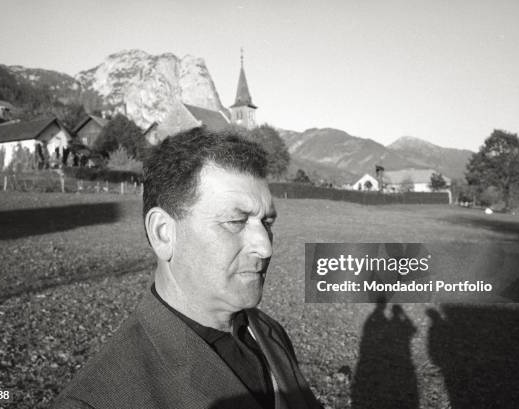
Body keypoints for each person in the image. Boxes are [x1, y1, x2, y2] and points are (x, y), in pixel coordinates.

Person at [54, 127, 323, 409]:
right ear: (163, 233)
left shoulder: (268, 331)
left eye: (267, 223)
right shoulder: (96, 402)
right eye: (236, 221)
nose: (265, 247)